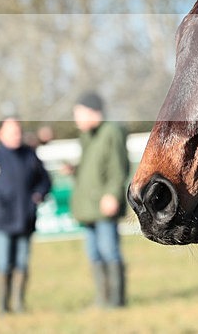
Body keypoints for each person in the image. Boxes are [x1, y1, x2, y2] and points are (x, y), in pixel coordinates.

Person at [0, 116, 52, 314]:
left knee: (22, 263)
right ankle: (3, 307)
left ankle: (19, 305)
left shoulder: (30, 155)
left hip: (26, 219)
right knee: (3, 263)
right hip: (3, 220)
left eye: (18, 131)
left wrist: (38, 195)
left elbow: (45, 181)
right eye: (11, 132)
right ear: (0, 134)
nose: (16, 135)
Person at [66, 92, 130, 308]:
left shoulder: (111, 132)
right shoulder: (88, 136)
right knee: (94, 253)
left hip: (104, 204)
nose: (76, 119)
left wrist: (112, 194)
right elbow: (92, 169)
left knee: (109, 251)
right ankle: (102, 300)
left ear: (93, 112)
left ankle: (116, 301)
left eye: (79, 113)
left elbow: (118, 168)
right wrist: (74, 170)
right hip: (89, 206)